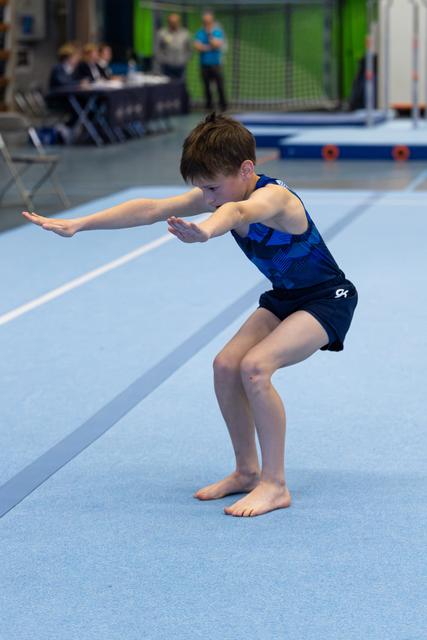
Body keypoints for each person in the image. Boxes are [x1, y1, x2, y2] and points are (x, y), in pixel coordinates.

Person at [21, 113, 358, 518]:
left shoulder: (272, 199)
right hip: (285, 297)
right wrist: (81, 223)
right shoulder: (222, 193)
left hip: (327, 297)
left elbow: (234, 216)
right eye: (202, 190)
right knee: (225, 365)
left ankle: (275, 484)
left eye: (212, 188)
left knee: (255, 368)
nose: (208, 197)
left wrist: (206, 231)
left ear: (246, 169)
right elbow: (151, 207)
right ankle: (247, 471)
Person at [194, 11, 227, 111]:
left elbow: (217, 44)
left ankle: (223, 106)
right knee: (206, 87)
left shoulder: (217, 31)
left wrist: (209, 36)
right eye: (205, 21)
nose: (207, 23)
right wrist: (210, 46)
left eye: (209, 21)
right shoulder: (199, 32)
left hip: (216, 64)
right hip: (204, 64)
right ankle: (209, 107)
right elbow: (197, 46)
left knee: (220, 86)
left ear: (212, 21)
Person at [156, 13, 192, 80]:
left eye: (175, 22)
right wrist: (162, 60)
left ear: (179, 22)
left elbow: (189, 49)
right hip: (166, 66)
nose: (173, 24)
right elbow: (158, 49)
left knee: (180, 86)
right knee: (167, 86)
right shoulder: (162, 33)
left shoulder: (185, 33)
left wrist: (185, 59)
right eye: (171, 22)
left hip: (181, 66)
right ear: (168, 22)